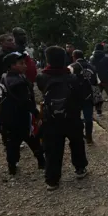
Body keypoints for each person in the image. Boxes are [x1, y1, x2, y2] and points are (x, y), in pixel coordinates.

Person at [36, 46, 88, 191]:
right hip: (72, 117)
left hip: (51, 119)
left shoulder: (42, 77)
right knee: (77, 143)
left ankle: (52, 180)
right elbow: (80, 96)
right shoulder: (72, 77)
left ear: (48, 60)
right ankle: (80, 168)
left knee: (52, 149)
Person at [0, 52, 45, 175]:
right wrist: (36, 114)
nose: (25, 66)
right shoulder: (17, 82)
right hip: (19, 117)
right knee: (31, 139)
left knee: (12, 144)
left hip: (7, 117)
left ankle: (12, 167)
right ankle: (41, 162)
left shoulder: (5, 76)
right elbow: (26, 102)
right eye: (21, 63)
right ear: (12, 66)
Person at [68, 50, 99, 145]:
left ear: (74, 57)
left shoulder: (72, 67)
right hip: (88, 96)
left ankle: (79, 136)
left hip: (76, 97)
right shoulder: (92, 67)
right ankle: (89, 138)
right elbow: (96, 82)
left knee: (76, 117)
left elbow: (68, 81)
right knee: (88, 118)